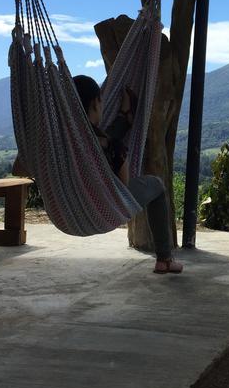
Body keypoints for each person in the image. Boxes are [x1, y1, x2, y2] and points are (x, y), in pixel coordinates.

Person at [72, 75, 183, 275]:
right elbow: (123, 192)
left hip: (70, 207)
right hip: (104, 207)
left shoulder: (60, 140)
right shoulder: (110, 145)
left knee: (102, 138)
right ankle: (164, 259)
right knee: (156, 185)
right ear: (96, 103)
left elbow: (20, 169)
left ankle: (125, 118)